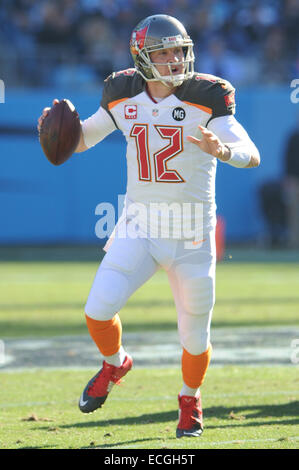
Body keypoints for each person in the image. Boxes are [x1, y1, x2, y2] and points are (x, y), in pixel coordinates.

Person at [38, 14, 260, 438]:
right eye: (165, 51)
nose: (176, 59)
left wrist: (224, 150)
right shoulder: (121, 93)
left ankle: (190, 398)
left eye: (180, 50)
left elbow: (251, 153)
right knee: (97, 310)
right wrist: (56, 134)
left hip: (192, 233)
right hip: (139, 225)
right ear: (142, 57)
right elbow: (82, 139)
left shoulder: (208, 95)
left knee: (194, 333)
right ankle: (116, 362)